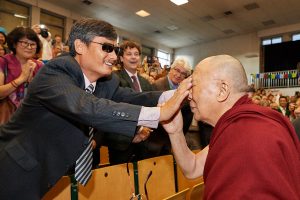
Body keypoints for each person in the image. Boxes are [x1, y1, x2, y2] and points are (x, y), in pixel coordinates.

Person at [0, 18, 191, 199]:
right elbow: (86, 106)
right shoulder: (55, 71)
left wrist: (174, 95)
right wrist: (160, 113)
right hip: (14, 167)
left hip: (50, 168)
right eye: (106, 48)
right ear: (80, 46)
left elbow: (133, 97)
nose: (114, 56)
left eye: (115, 49)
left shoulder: (107, 81)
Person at [163, 55, 300, 199]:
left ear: (222, 90)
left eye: (193, 86)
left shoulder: (251, 135)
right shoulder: (237, 128)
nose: (188, 95)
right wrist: (176, 132)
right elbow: (193, 168)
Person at [0, 27, 43, 109]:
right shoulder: (3, 62)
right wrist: (22, 78)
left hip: (31, 115)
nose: (29, 47)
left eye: (33, 44)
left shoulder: (39, 65)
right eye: (24, 43)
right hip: (8, 116)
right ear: (14, 44)